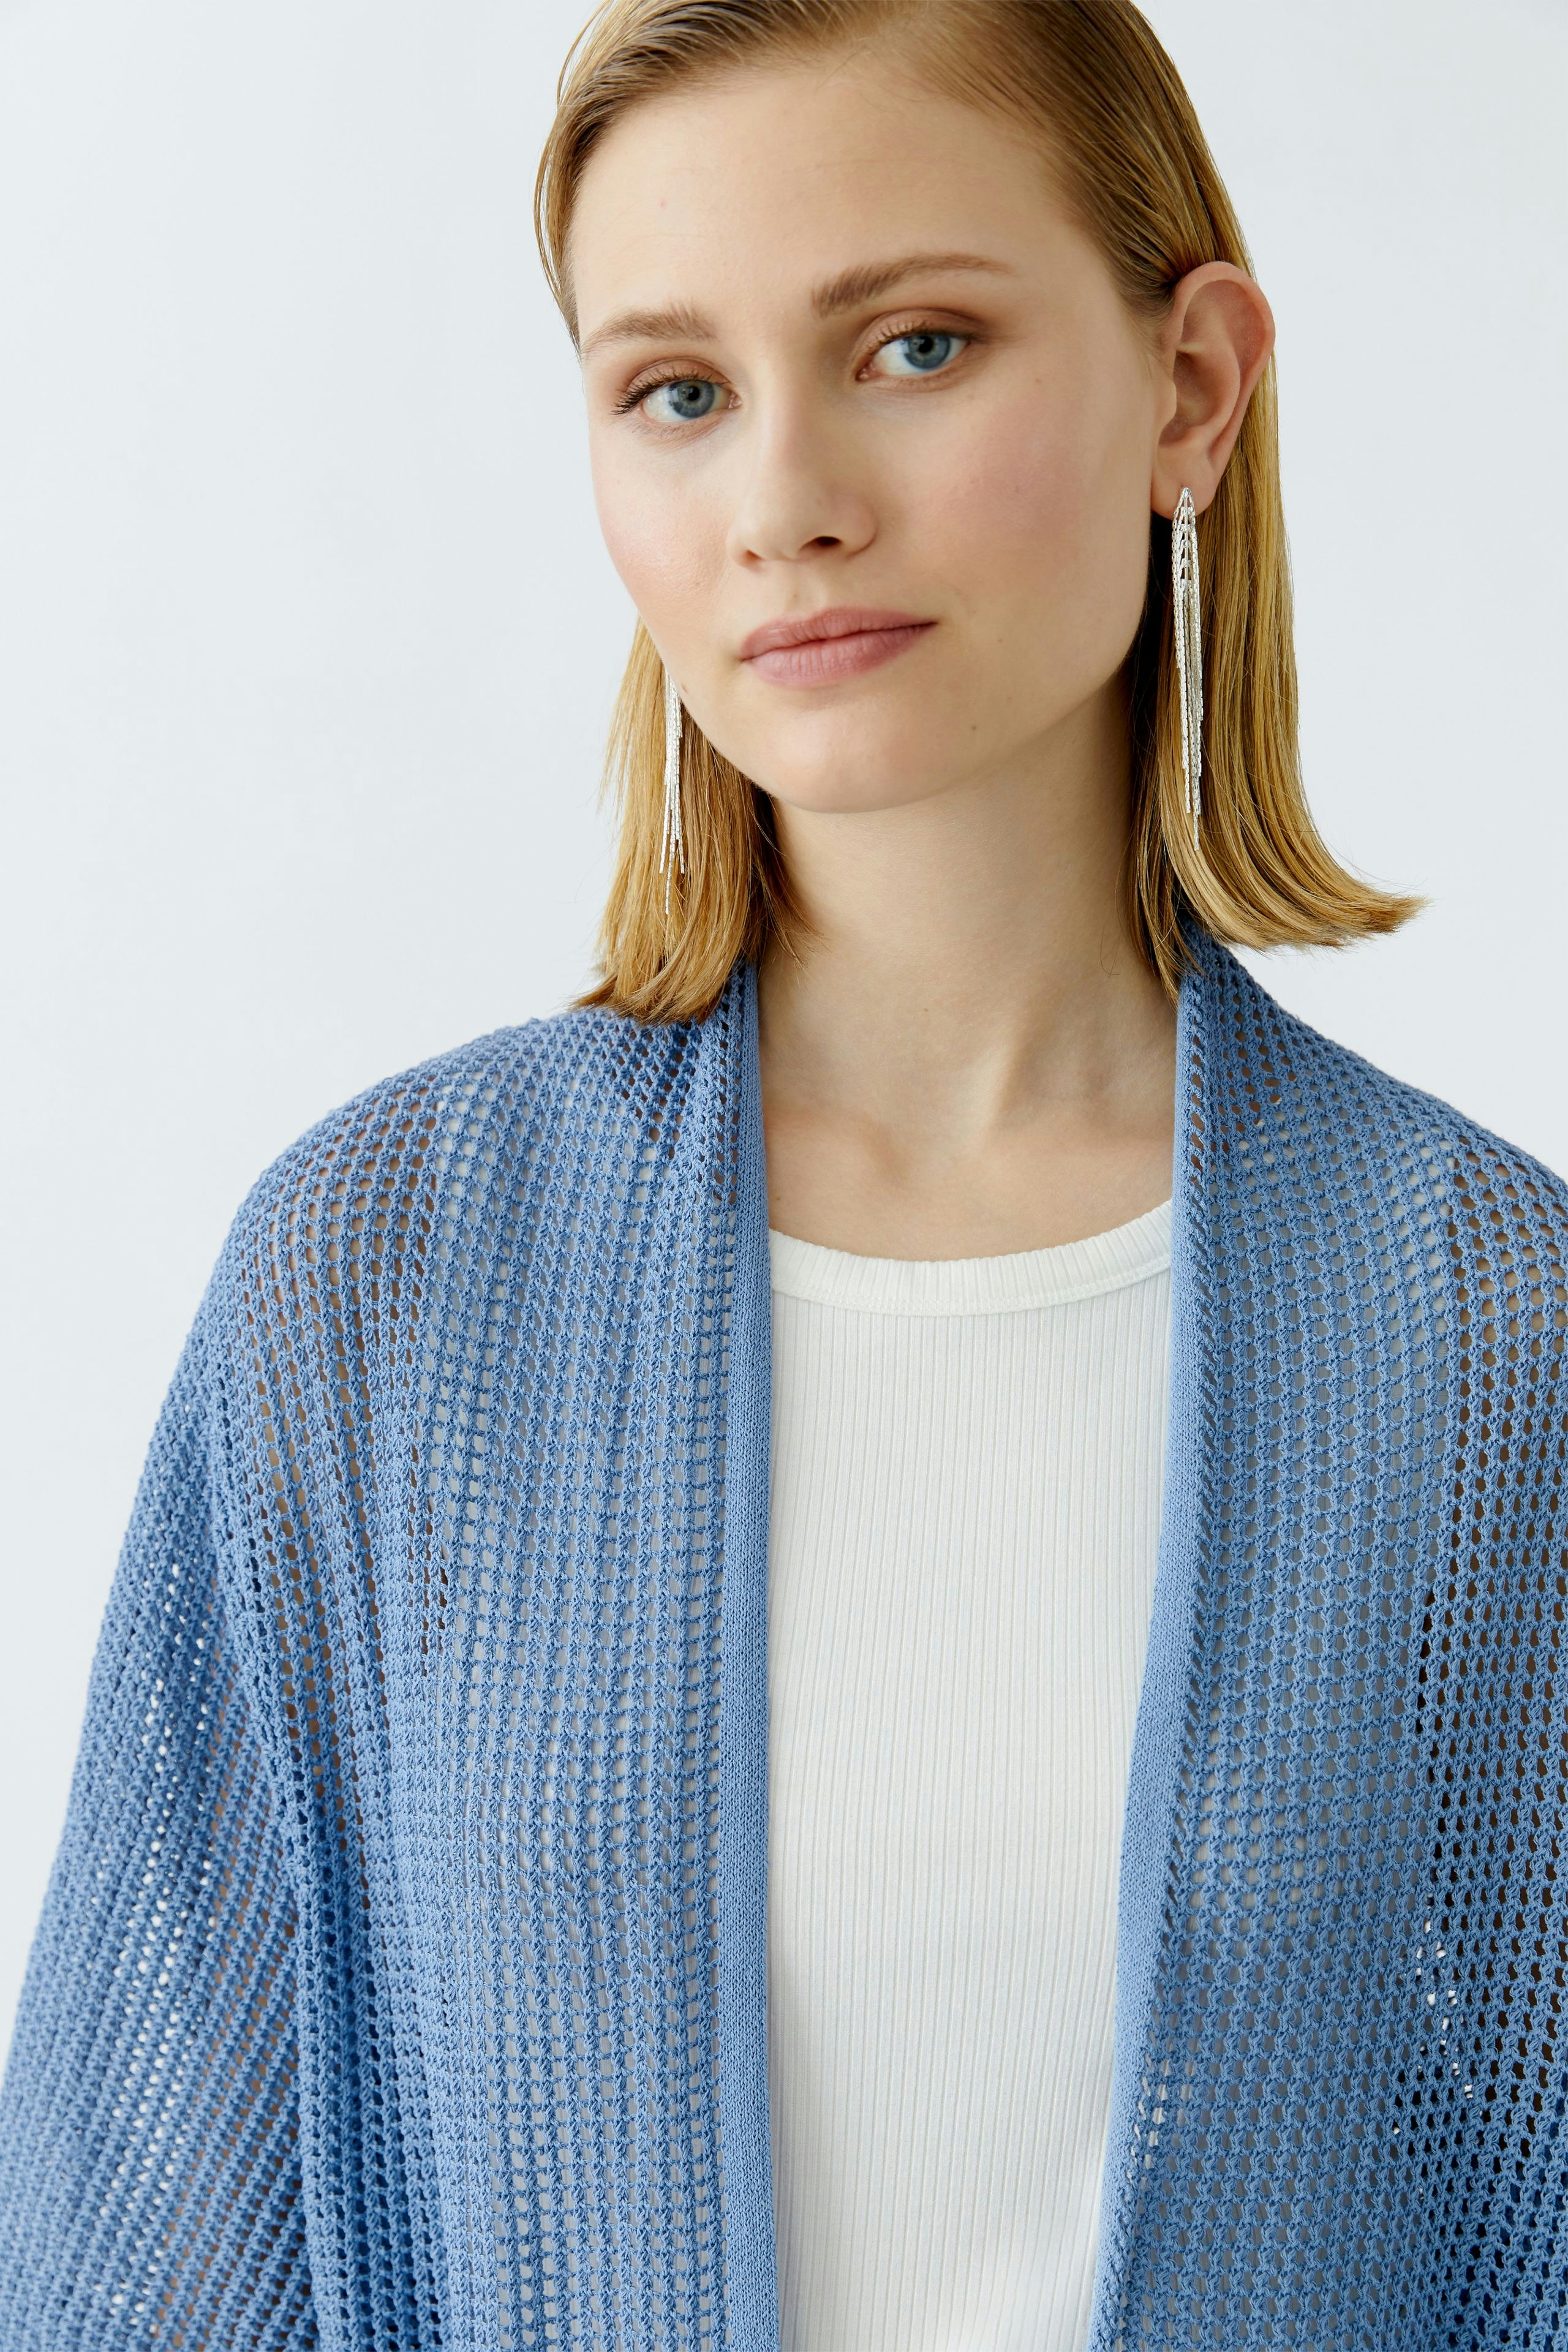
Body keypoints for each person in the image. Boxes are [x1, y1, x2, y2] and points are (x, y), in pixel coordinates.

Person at [1, 2, 1562, 2346]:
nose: (784, 499)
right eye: (677, 392)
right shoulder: (388, 1288)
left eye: (915, 344)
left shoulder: (1484, 1333)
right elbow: (133, 2258)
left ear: (1192, 386)